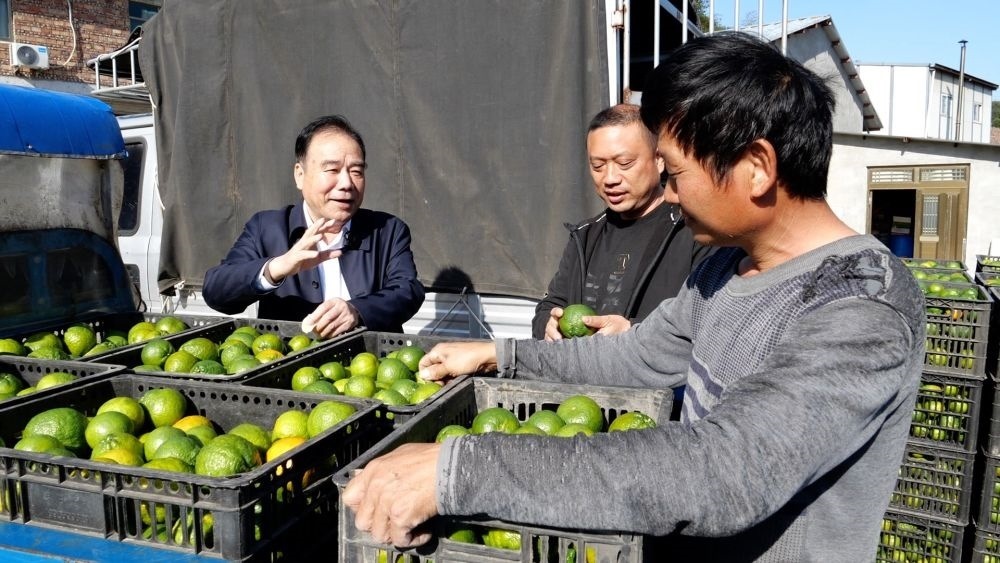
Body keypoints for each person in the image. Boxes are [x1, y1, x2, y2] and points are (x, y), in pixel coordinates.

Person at [342, 32, 924, 561]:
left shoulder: (860, 306)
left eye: (675, 173)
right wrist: (503, 355)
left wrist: (462, 471)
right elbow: (637, 356)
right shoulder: (724, 269)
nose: (669, 195)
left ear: (756, 167)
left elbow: (727, 470)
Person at [203, 115, 424, 338]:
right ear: (300, 175)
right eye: (332, 170)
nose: (346, 183)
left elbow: (408, 290)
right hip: (288, 356)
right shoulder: (267, 229)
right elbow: (216, 292)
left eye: (356, 172)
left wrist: (357, 310)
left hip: (370, 358)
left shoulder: (387, 230)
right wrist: (277, 267)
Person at [532, 103, 711, 340]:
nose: (610, 178)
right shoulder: (584, 236)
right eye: (597, 166)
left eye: (624, 164)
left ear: (659, 160)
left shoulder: (695, 232)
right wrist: (549, 324)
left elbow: (709, 322)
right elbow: (548, 307)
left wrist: (631, 331)